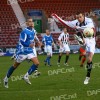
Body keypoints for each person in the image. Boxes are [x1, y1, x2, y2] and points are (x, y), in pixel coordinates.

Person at [52, 12, 96, 84]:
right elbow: (65, 23)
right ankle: (81, 42)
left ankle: (88, 76)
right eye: (77, 17)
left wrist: (78, 28)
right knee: (87, 56)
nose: (79, 19)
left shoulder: (89, 20)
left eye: (80, 17)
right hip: (84, 38)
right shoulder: (76, 22)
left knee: (89, 59)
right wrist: (57, 17)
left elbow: (90, 26)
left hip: (91, 40)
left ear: (83, 16)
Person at [3, 18, 41, 88]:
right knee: (15, 66)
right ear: (27, 23)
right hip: (23, 51)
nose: (31, 23)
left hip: (29, 51)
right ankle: (6, 78)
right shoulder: (24, 32)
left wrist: (37, 42)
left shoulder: (33, 31)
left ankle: (26, 76)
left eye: (32, 21)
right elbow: (22, 42)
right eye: (29, 22)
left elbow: (33, 38)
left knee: (37, 63)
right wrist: (29, 45)